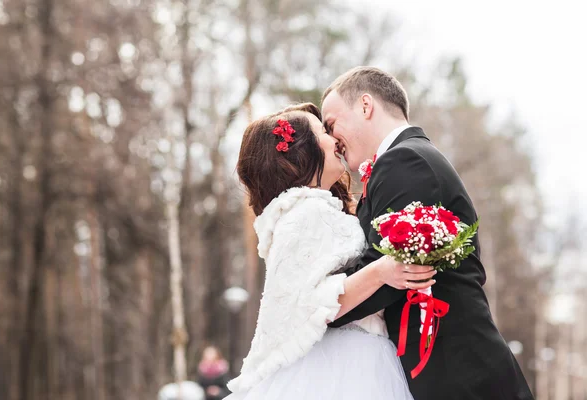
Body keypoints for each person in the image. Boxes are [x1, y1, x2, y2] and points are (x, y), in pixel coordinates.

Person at [321, 66, 534, 400]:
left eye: (332, 123)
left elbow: (386, 271)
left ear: (365, 106)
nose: (332, 138)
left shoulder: (405, 161)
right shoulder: (407, 159)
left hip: (458, 375)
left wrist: (317, 303)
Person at [225, 103, 435, 399]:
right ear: (302, 151)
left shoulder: (312, 209)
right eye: (323, 131)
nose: (335, 138)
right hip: (342, 363)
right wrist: (382, 271)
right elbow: (313, 304)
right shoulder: (305, 214)